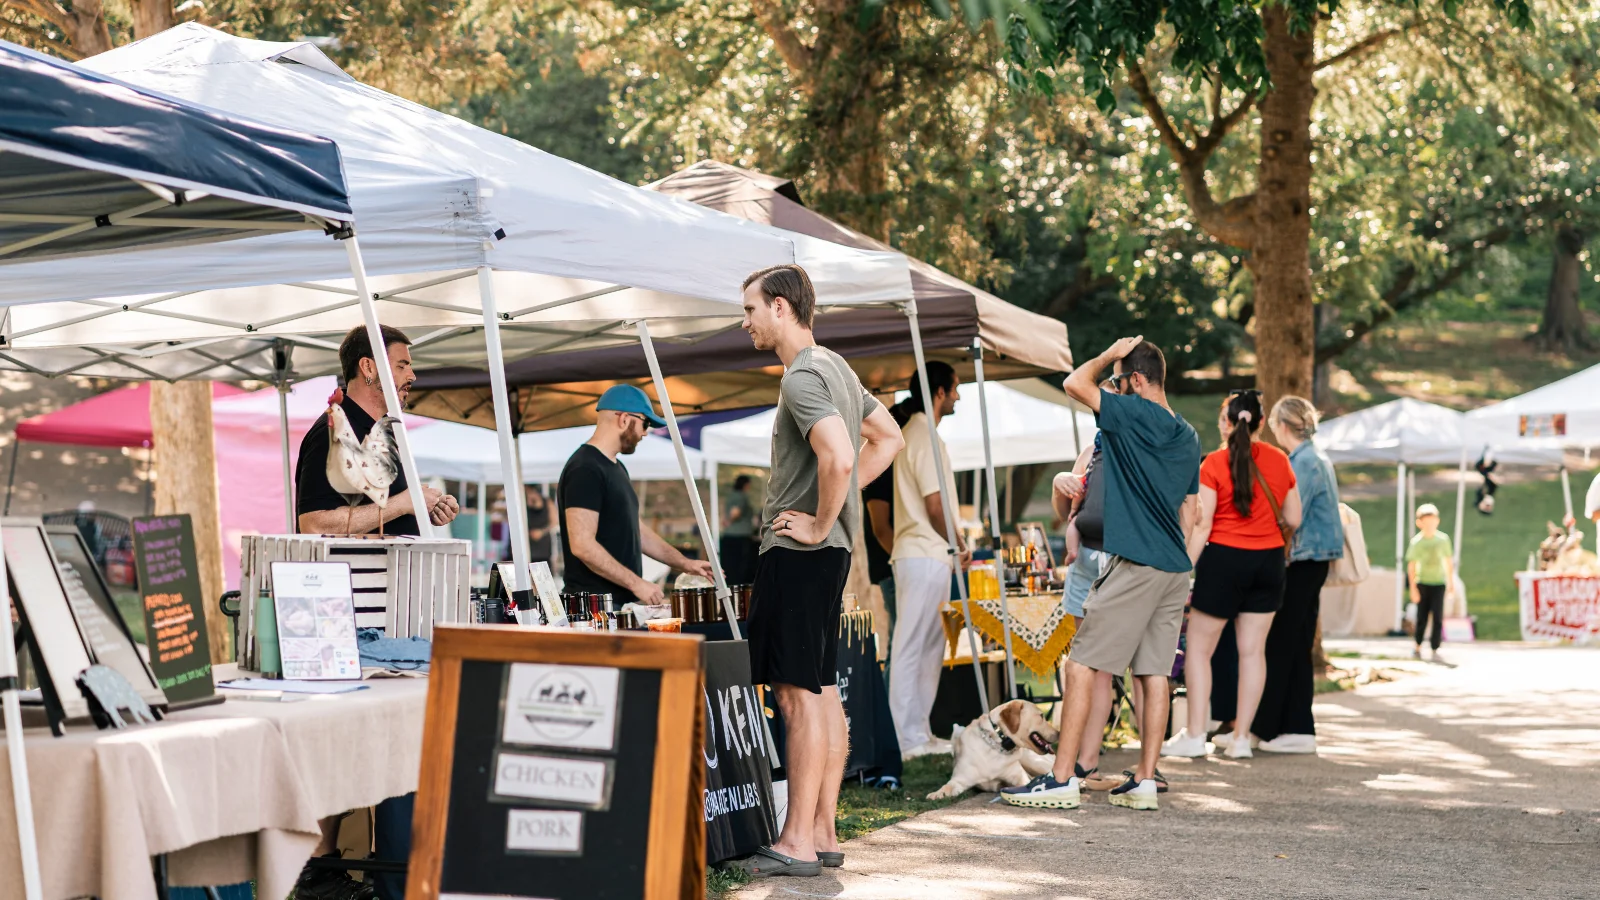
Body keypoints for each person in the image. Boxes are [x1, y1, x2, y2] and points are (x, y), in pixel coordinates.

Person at [729, 264, 903, 878]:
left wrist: (822, 520)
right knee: (822, 690)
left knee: (796, 695)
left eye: (749, 308)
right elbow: (886, 440)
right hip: (827, 559)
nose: (744, 319)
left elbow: (836, 451)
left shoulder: (803, 376)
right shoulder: (838, 367)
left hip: (803, 555)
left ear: (779, 307)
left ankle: (797, 840)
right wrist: (842, 502)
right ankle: (823, 830)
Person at [293, 324, 460, 900]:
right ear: (369, 369)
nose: (413, 375)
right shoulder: (329, 432)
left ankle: (357, 869)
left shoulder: (387, 434)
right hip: (348, 624)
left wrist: (428, 506)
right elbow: (311, 526)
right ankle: (328, 870)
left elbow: (387, 513)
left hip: (391, 619)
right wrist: (404, 503)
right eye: (403, 364)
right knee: (355, 747)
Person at [1003, 336, 1200, 813]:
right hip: (1175, 567)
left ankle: (1062, 778)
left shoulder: (1132, 412)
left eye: (1119, 380)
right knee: (1154, 672)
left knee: (1080, 664)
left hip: (1135, 562)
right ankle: (1145, 781)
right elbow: (1190, 512)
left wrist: (1110, 353)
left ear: (1135, 380)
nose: (1114, 387)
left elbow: (1074, 382)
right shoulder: (1188, 434)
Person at [1163, 391, 1301, 760]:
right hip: (1269, 561)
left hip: (1223, 561)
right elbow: (1295, 518)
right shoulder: (1279, 460)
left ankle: (1195, 735)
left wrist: (1184, 568)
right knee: (1253, 652)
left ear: (1226, 422)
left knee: (1199, 651)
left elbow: (1202, 525)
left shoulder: (1213, 464)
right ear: (1260, 423)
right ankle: (1241, 739)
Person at [558, 384, 716, 604]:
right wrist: (637, 583)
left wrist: (684, 563)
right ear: (623, 419)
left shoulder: (616, 468)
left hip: (617, 604)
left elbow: (636, 530)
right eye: (645, 423)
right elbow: (582, 544)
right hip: (593, 608)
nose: (645, 432)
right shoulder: (585, 468)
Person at [1052, 436, 1146, 792]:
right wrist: (1059, 486)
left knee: (1103, 670)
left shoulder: (1139, 448)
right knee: (1081, 663)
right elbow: (1067, 514)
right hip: (1084, 565)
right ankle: (1076, 755)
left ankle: (1087, 759)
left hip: (1117, 562)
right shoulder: (1091, 453)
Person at [1253, 395, 1345, 754]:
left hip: (1305, 559)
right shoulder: (1312, 457)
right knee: (1296, 640)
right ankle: (1294, 726)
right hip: (1313, 559)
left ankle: (1272, 726)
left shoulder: (1304, 462)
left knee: (1283, 641)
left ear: (1284, 425)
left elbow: (1291, 514)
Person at [887, 361, 967, 759]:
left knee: (930, 646)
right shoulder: (922, 435)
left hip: (930, 553)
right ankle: (904, 738)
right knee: (910, 646)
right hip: (922, 552)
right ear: (939, 392)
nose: (958, 396)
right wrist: (958, 542)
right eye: (954, 389)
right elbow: (934, 504)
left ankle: (919, 732)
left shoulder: (921, 433)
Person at [1407, 502, 1454, 662]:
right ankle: (1418, 644)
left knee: (1438, 616)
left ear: (1437, 521)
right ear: (1419, 523)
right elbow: (1411, 566)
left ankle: (1435, 646)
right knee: (1422, 617)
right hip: (1423, 582)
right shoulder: (1417, 542)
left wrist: (1451, 583)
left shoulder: (1443, 539)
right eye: (1426, 521)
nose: (1429, 525)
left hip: (1438, 582)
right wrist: (1413, 588)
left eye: (1432, 520)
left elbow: (1448, 562)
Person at [721, 474, 759, 584]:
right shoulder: (741, 496)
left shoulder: (731, 495)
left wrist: (726, 522)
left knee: (729, 565)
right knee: (740, 567)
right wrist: (730, 521)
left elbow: (726, 515)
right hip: (740, 536)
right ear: (746, 484)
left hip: (729, 535)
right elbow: (735, 512)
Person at [524, 485, 553, 566]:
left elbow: (554, 522)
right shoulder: (522, 503)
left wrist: (542, 532)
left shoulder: (547, 502)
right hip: (527, 546)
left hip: (542, 547)